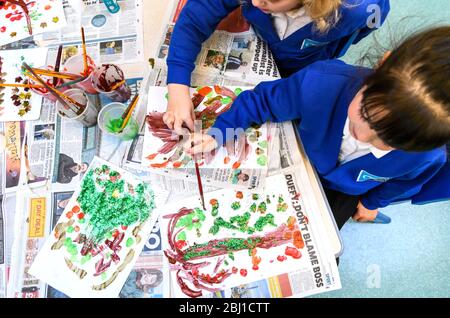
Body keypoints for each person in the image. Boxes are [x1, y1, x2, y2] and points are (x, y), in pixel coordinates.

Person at [184, 27, 450, 228]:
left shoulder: (427, 156)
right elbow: (262, 100)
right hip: (297, 153)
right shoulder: (320, 83)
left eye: (389, 141)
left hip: (345, 190)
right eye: (367, 113)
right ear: (382, 65)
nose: (363, 136)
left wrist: (371, 204)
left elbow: (404, 181)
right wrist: (220, 132)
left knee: (329, 246)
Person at [165, 0, 390, 134]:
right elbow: (194, 19)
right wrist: (177, 87)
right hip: (258, 44)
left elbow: (371, 21)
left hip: (306, 68)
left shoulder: (358, 8)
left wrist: (331, 48)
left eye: (270, 0)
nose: (254, 3)